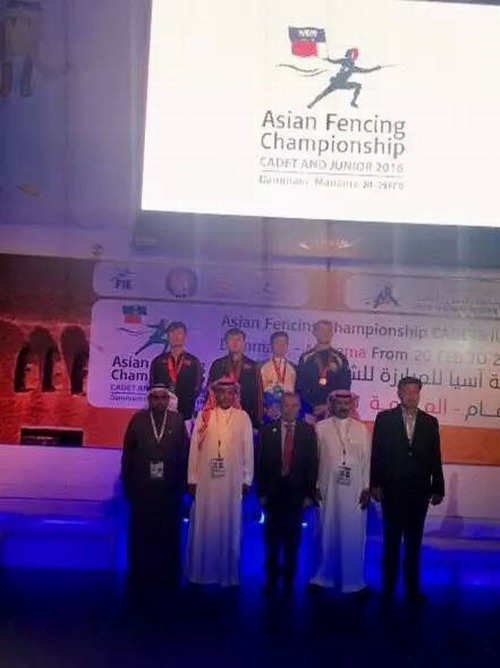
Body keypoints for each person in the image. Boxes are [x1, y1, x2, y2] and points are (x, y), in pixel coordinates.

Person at [370, 377, 445, 602]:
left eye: (415, 392)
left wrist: (438, 487)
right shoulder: (385, 419)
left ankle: (413, 589)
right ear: (399, 394)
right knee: (391, 541)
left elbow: (435, 456)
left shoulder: (430, 422)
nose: (411, 396)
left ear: (419, 394)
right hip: (392, 489)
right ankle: (388, 588)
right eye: (407, 391)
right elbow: (377, 454)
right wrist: (375, 484)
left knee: (414, 542)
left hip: (419, 491)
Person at [186, 378, 254, 587]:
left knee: (229, 524)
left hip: (232, 481)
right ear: (215, 395)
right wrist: (192, 478)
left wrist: (247, 478)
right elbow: (194, 449)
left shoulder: (243, 417)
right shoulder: (204, 416)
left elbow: (248, 450)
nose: (226, 396)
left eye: (230, 393)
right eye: (221, 392)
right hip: (206, 481)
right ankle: (200, 574)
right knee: (204, 524)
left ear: (235, 395)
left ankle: (227, 576)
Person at [121, 383, 188, 591]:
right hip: (143, 488)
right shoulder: (138, 419)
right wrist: (128, 484)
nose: (159, 401)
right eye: (155, 398)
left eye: (163, 398)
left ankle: (168, 574)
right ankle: (140, 573)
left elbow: (184, 455)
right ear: (149, 400)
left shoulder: (177, 420)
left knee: (169, 532)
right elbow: (128, 454)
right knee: (141, 532)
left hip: (169, 489)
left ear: (168, 400)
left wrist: (183, 486)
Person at [310, 390, 371, 594]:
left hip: (355, 491)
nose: (344, 407)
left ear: (352, 405)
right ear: (331, 405)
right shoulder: (320, 428)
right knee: (326, 531)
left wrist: (367, 487)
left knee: (353, 533)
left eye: (347, 403)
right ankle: (324, 577)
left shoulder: (361, 429)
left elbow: (367, 461)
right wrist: (315, 486)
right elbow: (314, 460)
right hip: (327, 488)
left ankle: (354, 581)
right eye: (339, 403)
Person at [258, 392, 318, 595]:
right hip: (273, 494)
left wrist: (310, 494)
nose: (290, 409)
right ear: (280, 406)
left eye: (294, 405)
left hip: (297, 495)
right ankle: (271, 581)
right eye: (286, 405)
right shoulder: (267, 430)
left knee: (293, 541)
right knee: (271, 541)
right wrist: (261, 493)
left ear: (299, 408)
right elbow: (261, 464)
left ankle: (289, 582)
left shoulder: (308, 431)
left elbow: (312, 464)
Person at [208, 328, 262, 428]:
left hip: (245, 415)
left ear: (244, 343)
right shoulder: (218, 364)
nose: (235, 343)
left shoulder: (253, 366)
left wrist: (256, 422)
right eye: (231, 340)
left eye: (238, 340)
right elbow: (210, 391)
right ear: (226, 343)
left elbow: (258, 396)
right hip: (220, 415)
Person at [297, 320, 351, 421]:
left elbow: (345, 387)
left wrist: (329, 406)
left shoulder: (340, 358)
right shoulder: (305, 357)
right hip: (310, 413)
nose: (325, 333)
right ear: (314, 332)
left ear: (332, 334)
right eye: (321, 330)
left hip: (333, 412)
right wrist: (309, 409)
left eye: (328, 330)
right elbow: (300, 387)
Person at [149, 321, 203, 421]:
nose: (176, 337)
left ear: (185, 336)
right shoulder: (158, 361)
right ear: (167, 336)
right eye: (172, 333)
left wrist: (187, 400)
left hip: (185, 412)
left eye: (179, 333)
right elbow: (153, 385)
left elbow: (197, 387)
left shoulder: (193, 362)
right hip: (161, 412)